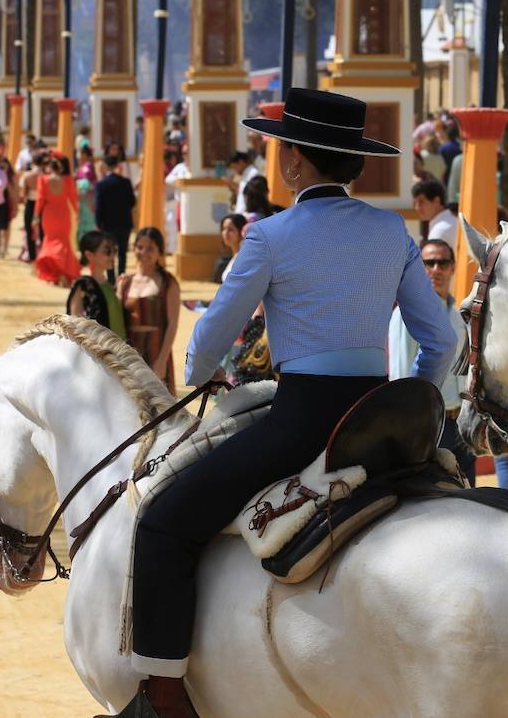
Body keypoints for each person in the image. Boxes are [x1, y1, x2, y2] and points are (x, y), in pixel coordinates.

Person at [123, 90, 456, 718]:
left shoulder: (270, 234)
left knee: (162, 522)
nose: (278, 159)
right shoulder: (393, 229)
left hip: (300, 424)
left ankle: (162, 698)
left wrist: (201, 375)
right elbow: (440, 338)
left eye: (282, 150)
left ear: (298, 162)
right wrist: (416, 393)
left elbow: (211, 335)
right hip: (382, 421)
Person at [388, 238, 477, 486]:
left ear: (452, 267)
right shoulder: (406, 315)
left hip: (461, 423)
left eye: (442, 262)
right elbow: (402, 377)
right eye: (429, 262)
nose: (436, 269)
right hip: (429, 427)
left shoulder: (458, 314)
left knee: (470, 506)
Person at [118, 227, 182, 390]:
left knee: (159, 408)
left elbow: (172, 324)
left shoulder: (168, 283)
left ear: (159, 252)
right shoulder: (124, 282)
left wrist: (162, 360)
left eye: (150, 248)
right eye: (140, 247)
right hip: (129, 352)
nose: (144, 252)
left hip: (156, 350)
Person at [67, 230, 128, 340]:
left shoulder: (107, 285)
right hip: (99, 353)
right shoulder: (83, 286)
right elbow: (75, 327)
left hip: (118, 353)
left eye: (114, 251)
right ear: (89, 255)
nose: (113, 256)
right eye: (107, 251)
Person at [34, 155, 81, 286]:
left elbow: (40, 200)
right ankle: (63, 273)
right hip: (63, 214)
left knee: (49, 240)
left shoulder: (43, 179)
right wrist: (77, 213)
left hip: (49, 215)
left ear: (50, 167)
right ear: (60, 168)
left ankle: (54, 273)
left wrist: (36, 216)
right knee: (64, 242)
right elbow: (73, 198)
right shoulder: (67, 180)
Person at [95, 156, 137, 274]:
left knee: (109, 252)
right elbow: (133, 202)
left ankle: (111, 279)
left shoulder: (101, 184)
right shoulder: (126, 182)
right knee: (122, 252)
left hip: (108, 224)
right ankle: (122, 276)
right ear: (118, 165)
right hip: (124, 222)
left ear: (105, 166)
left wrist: (98, 223)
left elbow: (99, 207)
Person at [411, 179, 457, 249]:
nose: (417, 208)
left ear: (436, 201)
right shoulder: (452, 219)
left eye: (421, 202)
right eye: (415, 203)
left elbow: (435, 259)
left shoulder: (439, 230)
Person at [213, 213, 247, 283]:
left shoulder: (245, 258)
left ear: (241, 232)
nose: (225, 233)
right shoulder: (237, 256)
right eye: (224, 229)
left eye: (230, 229)